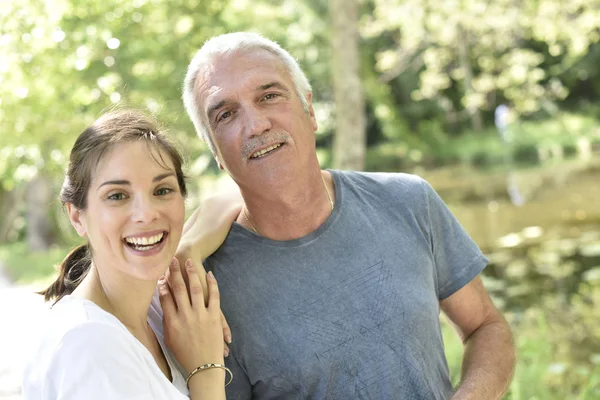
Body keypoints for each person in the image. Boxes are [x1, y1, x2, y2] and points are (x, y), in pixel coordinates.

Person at [177, 32, 516, 399]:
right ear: (215, 152)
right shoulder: (206, 291)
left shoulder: (408, 201)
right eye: (226, 114)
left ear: (311, 110)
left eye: (269, 96)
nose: (256, 125)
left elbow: (485, 326)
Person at [22, 110, 240, 399]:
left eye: (162, 190)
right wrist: (206, 372)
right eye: (117, 196)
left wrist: (188, 251)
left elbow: (232, 199)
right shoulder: (89, 346)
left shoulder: (153, 309)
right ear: (77, 216)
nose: (146, 214)